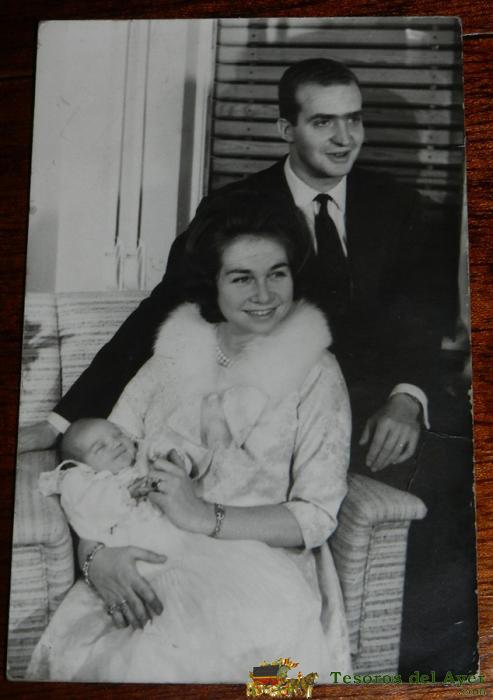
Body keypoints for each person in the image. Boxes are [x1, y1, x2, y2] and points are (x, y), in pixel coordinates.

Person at [19, 57, 451, 478]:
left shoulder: (397, 205)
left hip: (377, 408)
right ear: (286, 129)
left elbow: (423, 315)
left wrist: (407, 398)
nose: (344, 138)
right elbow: (161, 311)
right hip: (275, 413)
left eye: (353, 119)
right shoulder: (231, 207)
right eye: (323, 122)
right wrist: (61, 421)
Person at [26, 199, 352, 683]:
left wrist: (202, 516)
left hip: (258, 573)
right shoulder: (175, 351)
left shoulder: (316, 372)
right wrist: (95, 557)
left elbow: (316, 516)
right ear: (211, 282)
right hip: (142, 556)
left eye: (277, 274)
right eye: (241, 278)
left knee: (226, 671)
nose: (264, 294)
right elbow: (100, 469)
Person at [30, 415, 341, 682]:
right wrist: (122, 500)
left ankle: (265, 682)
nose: (116, 444)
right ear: (81, 464)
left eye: (117, 436)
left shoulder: (142, 457)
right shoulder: (83, 482)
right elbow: (89, 515)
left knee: (257, 615)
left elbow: (177, 456)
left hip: (198, 545)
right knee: (173, 649)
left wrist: (175, 459)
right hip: (150, 566)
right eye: (101, 447)